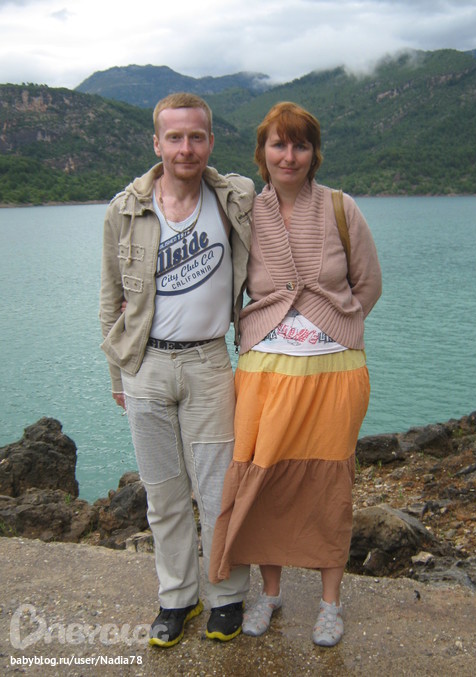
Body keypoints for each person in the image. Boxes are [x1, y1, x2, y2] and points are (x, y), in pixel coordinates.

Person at [209, 102, 382, 646]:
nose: (289, 156)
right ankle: (271, 593)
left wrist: (333, 328)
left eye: (300, 145)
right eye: (279, 144)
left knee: (330, 485)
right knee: (265, 480)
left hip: (334, 373)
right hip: (264, 373)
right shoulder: (245, 213)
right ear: (262, 153)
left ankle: (330, 603)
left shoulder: (340, 208)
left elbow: (368, 284)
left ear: (314, 153)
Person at [99, 92, 253, 647]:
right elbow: (109, 297)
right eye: (174, 137)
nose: (185, 147)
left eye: (196, 136)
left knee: (218, 492)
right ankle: (178, 599)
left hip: (209, 361)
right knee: (162, 494)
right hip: (145, 364)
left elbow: (291, 207)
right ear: (157, 143)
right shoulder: (124, 210)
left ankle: (227, 596)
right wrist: (118, 375)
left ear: (210, 141)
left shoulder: (235, 198)